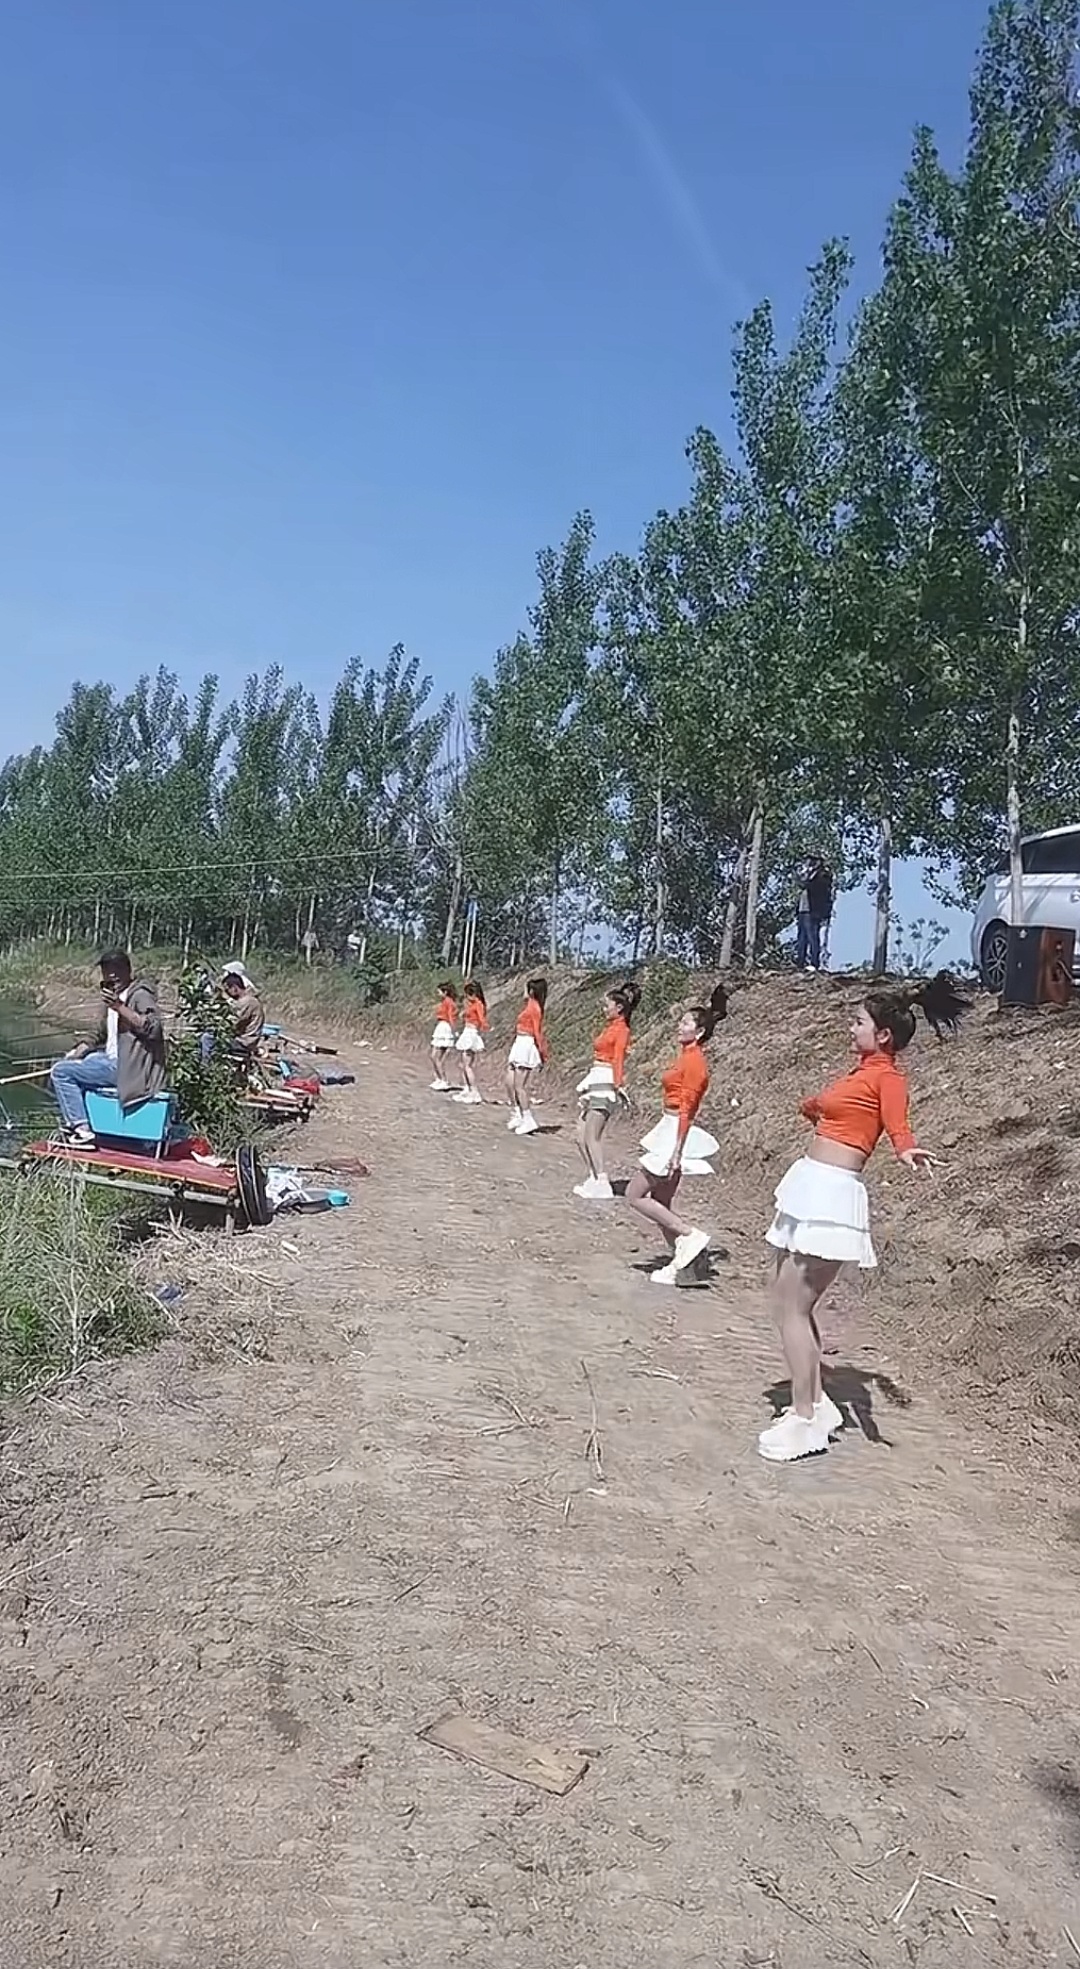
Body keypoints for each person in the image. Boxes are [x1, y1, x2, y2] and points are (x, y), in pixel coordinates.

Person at [759, 973, 968, 1464]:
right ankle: (816, 1405)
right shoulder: (859, 1073)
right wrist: (813, 1106)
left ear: (884, 1035)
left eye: (858, 1022)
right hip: (809, 1186)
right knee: (787, 1302)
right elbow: (829, 1107)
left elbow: (897, 1124)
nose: (850, 1028)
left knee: (793, 1307)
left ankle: (806, 1417)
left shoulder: (887, 1076)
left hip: (831, 1195)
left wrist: (906, 1149)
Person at [625, 985, 727, 1285]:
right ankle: (685, 1264)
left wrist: (677, 1151)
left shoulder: (695, 1063)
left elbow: (687, 1109)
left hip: (675, 1132)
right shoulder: (687, 1057)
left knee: (634, 1194)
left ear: (699, 1032)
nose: (679, 1026)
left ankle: (688, 1235)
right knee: (661, 1201)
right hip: (670, 1127)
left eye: (685, 1023)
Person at [49, 949, 167, 1147]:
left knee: (61, 1072)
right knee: (75, 1062)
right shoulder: (112, 998)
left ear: (128, 971)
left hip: (130, 1069)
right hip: (110, 1060)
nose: (112, 977)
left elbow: (154, 1028)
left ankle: (81, 1129)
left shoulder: (139, 995)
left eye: (117, 971)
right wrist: (76, 1053)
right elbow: (97, 1033)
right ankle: (83, 1122)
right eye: (107, 973)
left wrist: (119, 1007)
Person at [573, 980, 640, 1202]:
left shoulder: (622, 1030)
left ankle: (602, 1181)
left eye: (607, 1005)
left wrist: (619, 1084)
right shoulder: (610, 1027)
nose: (604, 1009)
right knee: (580, 1135)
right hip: (596, 1078)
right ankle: (594, 1176)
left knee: (592, 1135)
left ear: (618, 1008)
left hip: (605, 1080)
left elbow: (618, 1057)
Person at [506, 976, 548, 1136]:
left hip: (526, 1043)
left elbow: (538, 1032)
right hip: (520, 1042)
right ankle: (518, 1113)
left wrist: (542, 1053)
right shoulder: (529, 1005)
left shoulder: (534, 1008)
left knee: (519, 1086)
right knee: (510, 1081)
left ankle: (528, 1118)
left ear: (531, 991)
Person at [452, 981, 488, 1105]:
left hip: (471, 1032)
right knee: (463, 1064)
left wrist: (484, 1027)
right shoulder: (472, 1004)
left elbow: (482, 1019)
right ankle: (467, 1088)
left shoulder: (478, 1004)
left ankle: (474, 1091)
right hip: (467, 1030)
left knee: (467, 1065)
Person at [221, 963, 265, 1062]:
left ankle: (205, 1066)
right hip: (247, 1040)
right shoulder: (249, 1000)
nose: (227, 993)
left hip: (244, 1042)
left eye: (227, 990)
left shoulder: (246, 1002)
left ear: (234, 988)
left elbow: (233, 1023)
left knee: (207, 1039)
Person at [796, 856, 834, 972]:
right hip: (803, 909)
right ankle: (800, 962)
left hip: (813, 910)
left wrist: (806, 879)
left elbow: (814, 887)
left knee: (813, 936)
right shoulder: (809, 874)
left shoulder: (823, 875)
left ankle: (814, 962)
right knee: (802, 937)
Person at [430, 981, 458, 1092]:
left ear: (445, 992)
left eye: (440, 992)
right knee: (433, 1056)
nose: (438, 994)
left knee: (437, 1056)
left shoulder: (449, 1002)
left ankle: (443, 1080)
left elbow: (451, 1017)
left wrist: (454, 1031)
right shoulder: (444, 1002)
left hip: (445, 1027)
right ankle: (439, 1078)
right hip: (441, 1026)